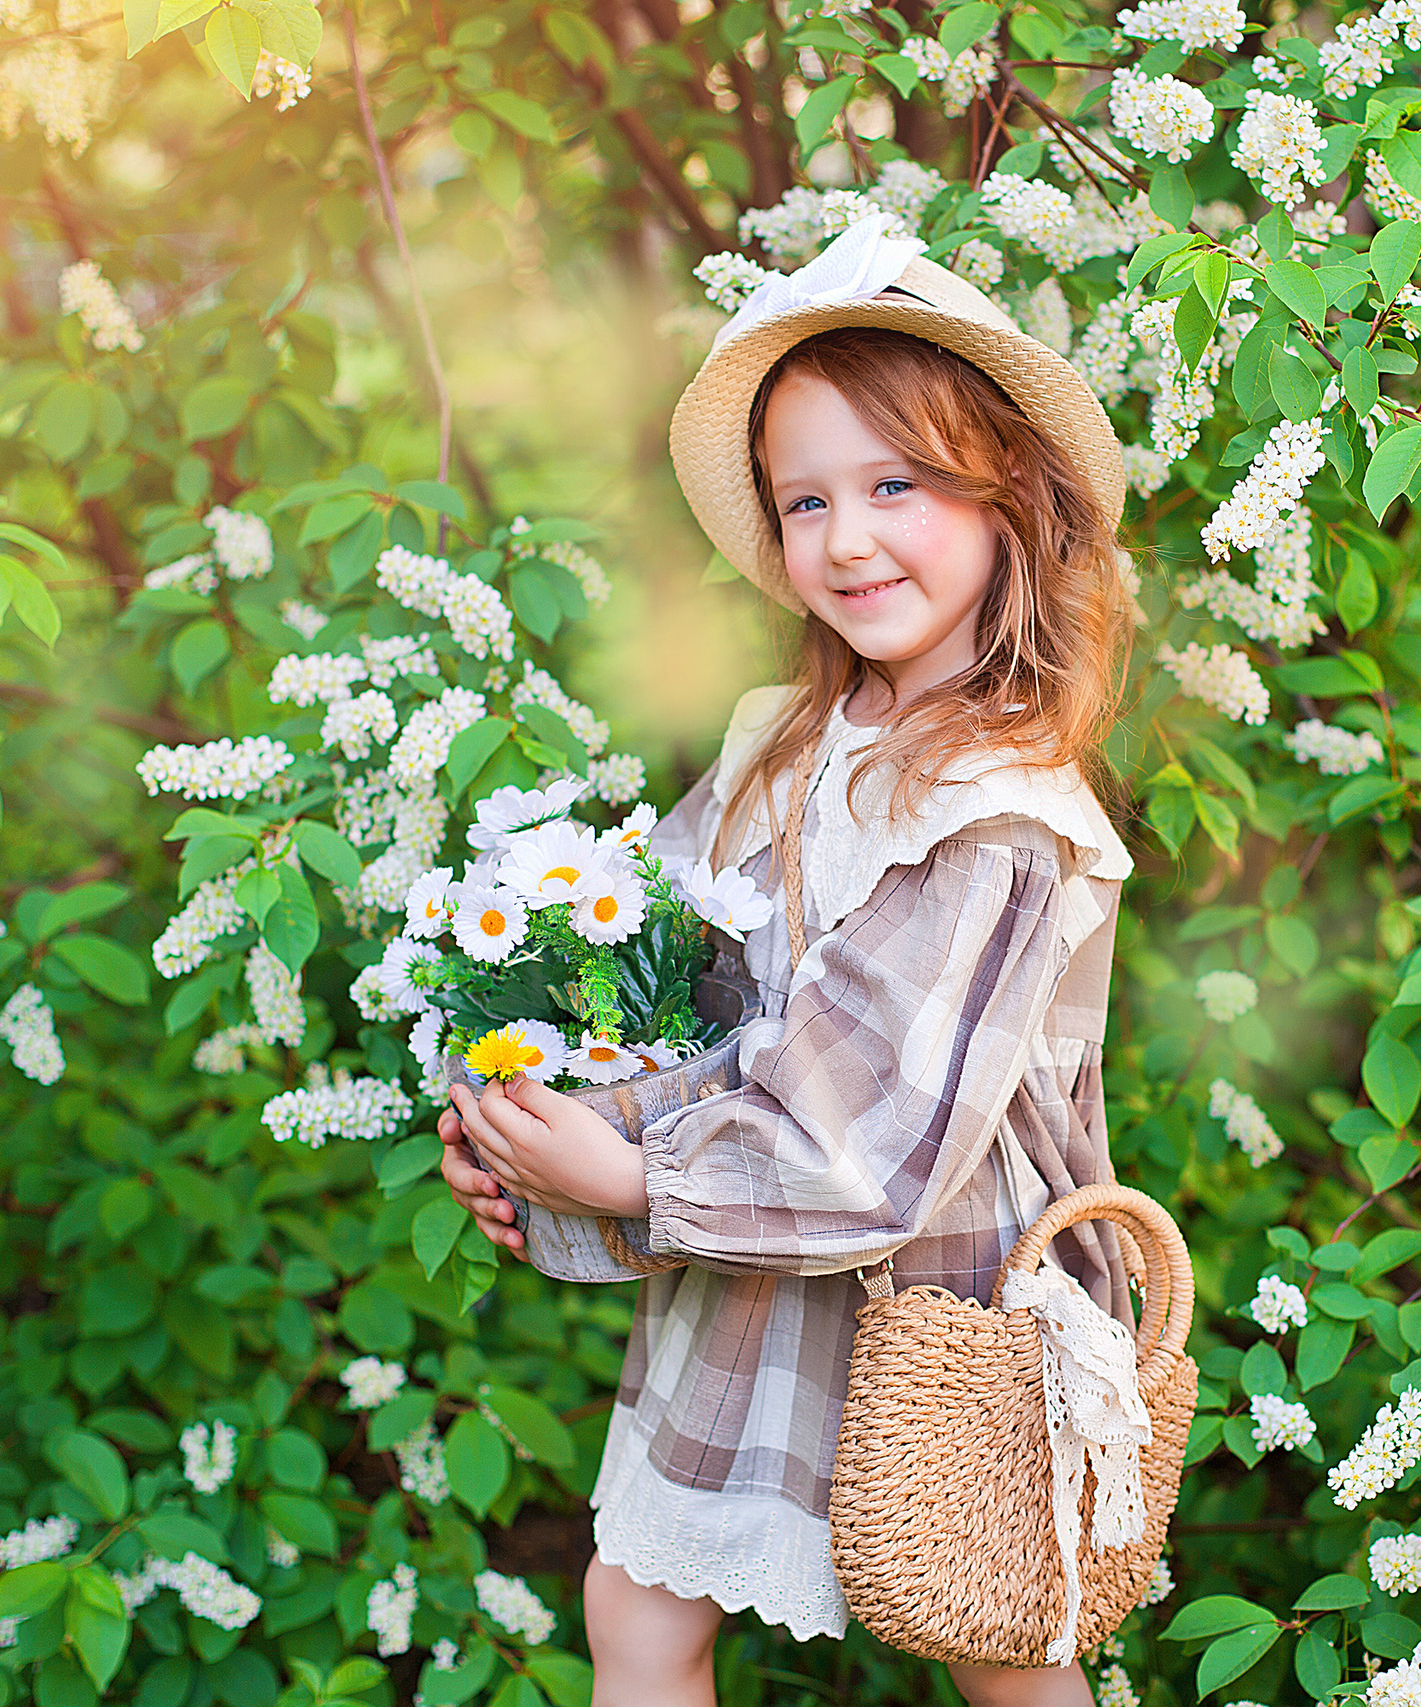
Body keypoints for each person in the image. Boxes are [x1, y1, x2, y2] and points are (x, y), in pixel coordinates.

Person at [436, 216, 1139, 1707]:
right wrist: (531, 1117)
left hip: (953, 1286)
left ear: (1008, 491)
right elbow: (681, 982)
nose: (849, 538)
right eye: (804, 500)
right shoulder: (793, 738)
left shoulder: (1000, 807)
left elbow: (880, 1132)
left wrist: (633, 1177)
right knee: (637, 1607)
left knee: (1001, 1638)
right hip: (754, 1257)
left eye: (898, 485)